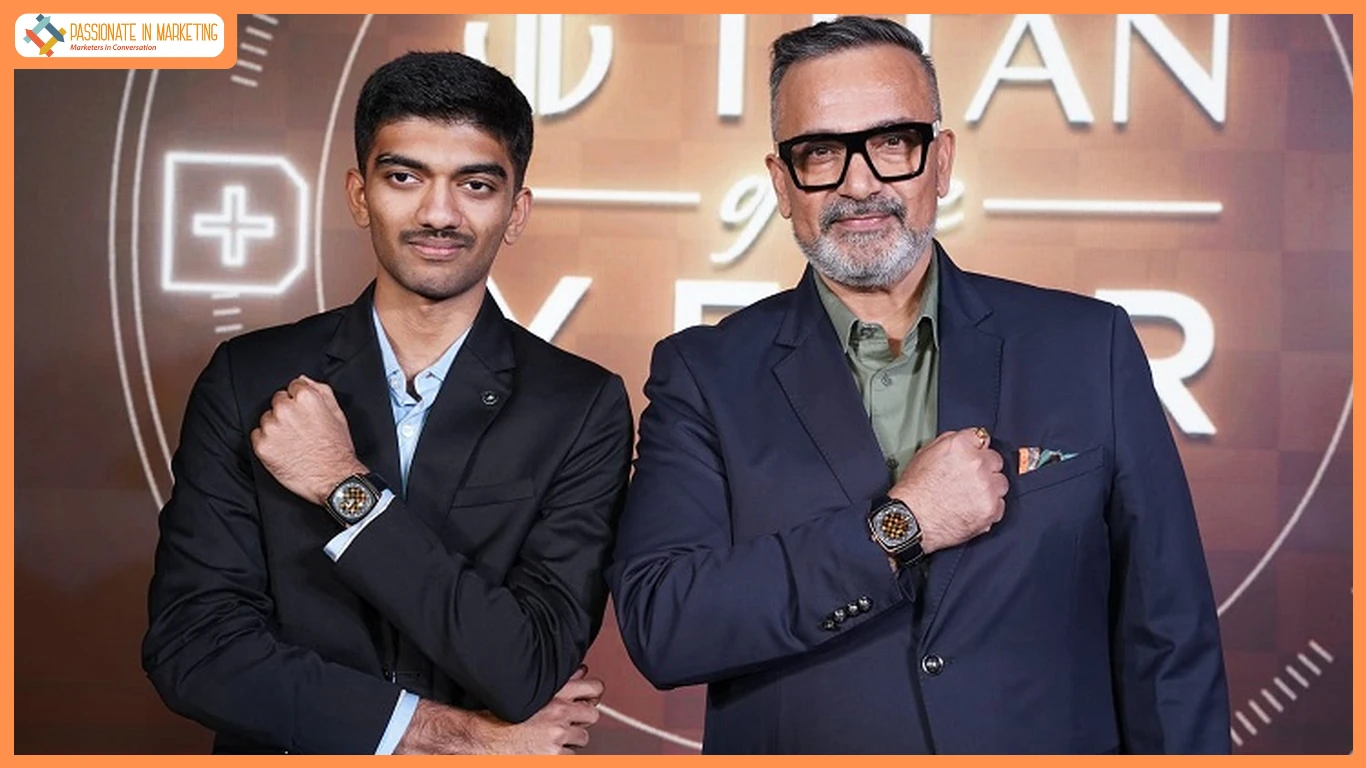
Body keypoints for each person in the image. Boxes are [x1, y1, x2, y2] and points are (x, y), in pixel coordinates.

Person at [608, 16, 1229, 754]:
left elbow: (1170, 640)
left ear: (941, 161)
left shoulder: (1088, 346)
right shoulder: (703, 374)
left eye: (893, 143)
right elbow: (665, 624)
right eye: (820, 152)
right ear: (781, 182)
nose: (860, 183)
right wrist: (899, 527)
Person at [142, 51, 634, 754]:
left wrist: (345, 486)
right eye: (404, 177)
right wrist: (445, 735)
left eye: (475, 184)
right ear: (359, 194)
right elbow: (194, 647)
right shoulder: (248, 378)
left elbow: (527, 665)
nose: (439, 213)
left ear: (516, 211)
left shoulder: (580, 406)